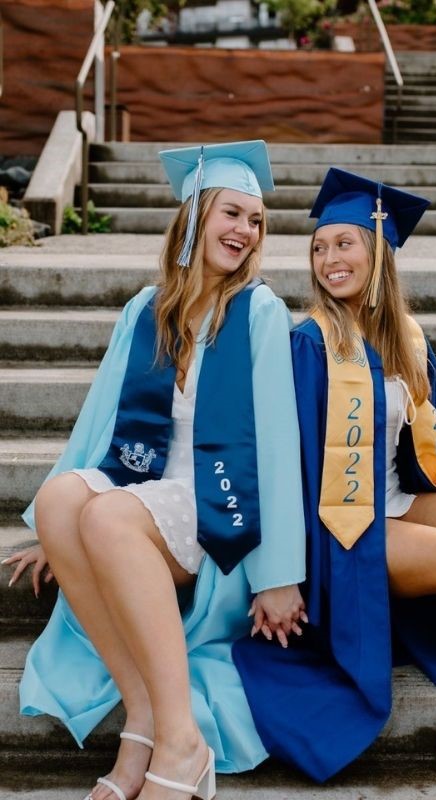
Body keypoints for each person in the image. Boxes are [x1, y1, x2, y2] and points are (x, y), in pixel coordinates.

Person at [2, 140, 307, 800]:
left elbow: (279, 445)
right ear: (194, 216)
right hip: (142, 486)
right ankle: (141, 714)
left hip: (216, 504)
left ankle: (180, 739)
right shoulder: (146, 308)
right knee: (61, 500)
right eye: (231, 213)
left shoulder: (258, 313)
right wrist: (54, 533)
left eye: (255, 222)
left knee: (108, 513)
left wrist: (278, 573)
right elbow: (100, 419)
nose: (244, 231)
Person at [233, 168, 436, 797]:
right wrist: (274, 570)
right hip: (338, 528)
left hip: (390, 502)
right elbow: (278, 460)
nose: (329, 259)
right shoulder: (309, 345)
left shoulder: (404, 341)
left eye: (345, 243)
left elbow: (421, 443)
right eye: (320, 247)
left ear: (380, 250)